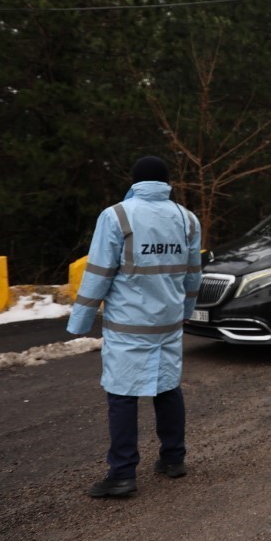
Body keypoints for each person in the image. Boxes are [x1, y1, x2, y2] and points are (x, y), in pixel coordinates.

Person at [67, 156, 202, 498]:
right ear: (166, 182)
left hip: (129, 326)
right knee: (168, 388)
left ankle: (122, 473)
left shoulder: (117, 216)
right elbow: (193, 274)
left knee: (122, 396)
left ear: (135, 181)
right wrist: (186, 310)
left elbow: (98, 273)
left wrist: (79, 322)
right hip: (169, 324)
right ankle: (174, 459)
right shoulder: (187, 219)